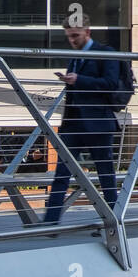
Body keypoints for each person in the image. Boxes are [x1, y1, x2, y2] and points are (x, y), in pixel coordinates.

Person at [42, 15, 121, 224]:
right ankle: (50, 220)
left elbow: (111, 83)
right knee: (62, 172)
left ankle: (114, 218)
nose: (72, 40)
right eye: (69, 37)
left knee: (106, 174)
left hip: (98, 123)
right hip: (74, 123)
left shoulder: (105, 53)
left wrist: (79, 79)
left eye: (75, 35)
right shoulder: (74, 57)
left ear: (88, 32)